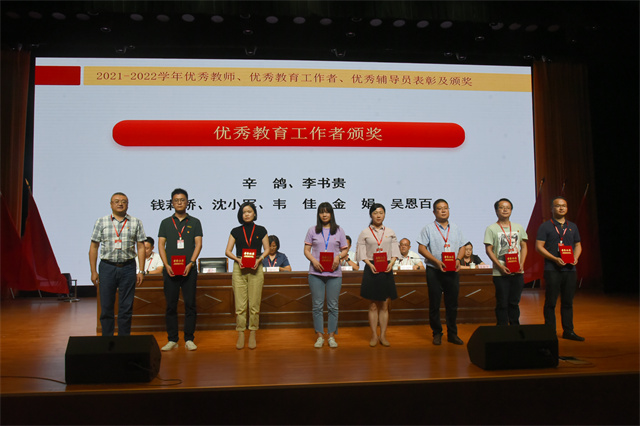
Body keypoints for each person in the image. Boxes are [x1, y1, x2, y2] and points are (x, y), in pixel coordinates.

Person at [89, 192, 146, 336]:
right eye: (116, 201)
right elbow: (94, 247)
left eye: (123, 201)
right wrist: (93, 271)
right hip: (107, 267)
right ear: (111, 204)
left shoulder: (136, 222)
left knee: (126, 307)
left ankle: (123, 340)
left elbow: (140, 247)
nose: (120, 204)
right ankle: (107, 340)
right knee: (106, 306)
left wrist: (141, 270)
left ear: (128, 204)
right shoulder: (101, 222)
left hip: (128, 267)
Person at [158, 188, 203, 351]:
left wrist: (191, 262)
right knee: (171, 305)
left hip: (189, 270)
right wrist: (166, 264)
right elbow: (161, 245)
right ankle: (172, 339)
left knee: (190, 304)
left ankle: (189, 338)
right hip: (170, 270)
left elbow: (198, 244)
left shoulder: (195, 222)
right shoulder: (165, 222)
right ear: (172, 203)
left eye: (182, 200)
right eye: (176, 200)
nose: (179, 202)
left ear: (187, 202)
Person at [417, 199, 466, 345]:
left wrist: (458, 259)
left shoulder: (456, 228)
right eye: (439, 208)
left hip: (452, 270)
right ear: (434, 212)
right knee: (435, 304)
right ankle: (437, 333)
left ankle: (452, 334)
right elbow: (421, 248)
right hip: (434, 270)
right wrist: (436, 262)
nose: (443, 211)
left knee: (452, 304)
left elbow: (463, 246)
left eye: (445, 208)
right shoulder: (428, 228)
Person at [535, 196, 584, 341]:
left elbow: (578, 245)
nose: (561, 208)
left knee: (568, 302)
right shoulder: (545, 226)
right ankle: (549, 332)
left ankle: (568, 331)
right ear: (552, 209)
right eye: (557, 206)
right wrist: (554, 259)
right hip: (552, 269)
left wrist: (576, 257)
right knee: (550, 302)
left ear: (567, 208)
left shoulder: (572, 226)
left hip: (570, 269)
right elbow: (538, 247)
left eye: (564, 205)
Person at [225, 201, 270, 350]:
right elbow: (228, 251)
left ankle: (252, 332)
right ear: (241, 215)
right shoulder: (235, 231)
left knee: (254, 304)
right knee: (240, 305)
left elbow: (267, 249)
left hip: (256, 266)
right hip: (240, 267)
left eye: (249, 211)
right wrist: (238, 260)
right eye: (244, 212)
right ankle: (240, 333)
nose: (247, 214)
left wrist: (259, 259)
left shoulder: (261, 230)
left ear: (254, 213)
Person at [304, 202, 349, 348]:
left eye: (327, 212)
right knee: (317, 306)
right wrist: (314, 261)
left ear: (331, 214)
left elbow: (344, 249)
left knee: (333, 306)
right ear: (318, 214)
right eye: (322, 212)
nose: (324, 215)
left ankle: (331, 336)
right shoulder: (312, 230)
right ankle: (319, 336)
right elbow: (306, 250)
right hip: (316, 273)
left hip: (334, 273)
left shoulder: (339, 230)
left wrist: (338, 257)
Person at [356, 203, 400, 347]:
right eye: (375, 213)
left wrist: (391, 263)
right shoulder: (365, 232)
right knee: (373, 305)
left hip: (386, 267)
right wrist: (369, 264)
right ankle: (374, 335)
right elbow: (361, 253)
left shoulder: (390, 231)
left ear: (385, 214)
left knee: (385, 304)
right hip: (372, 267)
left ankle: (383, 335)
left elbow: (395, 250)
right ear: (371, 215)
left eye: (381, 212)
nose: (378, 215)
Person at [484, 198, 528, 326]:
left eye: (508, 208)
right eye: (502, 207)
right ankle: (502, 329)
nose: (505, 210)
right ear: (496, 211)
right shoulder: (491, 228)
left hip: (517, 272)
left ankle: (515, 328)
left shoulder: (518, 227)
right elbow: (488, 250)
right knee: (502, 303)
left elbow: (524, 246)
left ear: (511, 210)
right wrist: (500, 266)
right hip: (500, 273)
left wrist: (522, 263)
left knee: (514, 302)